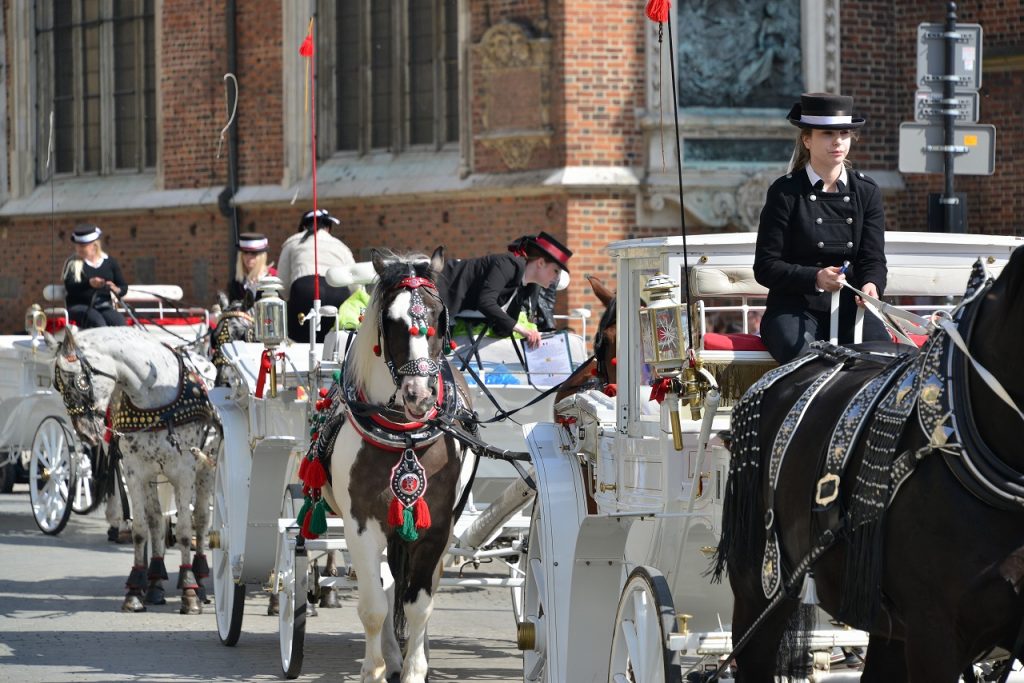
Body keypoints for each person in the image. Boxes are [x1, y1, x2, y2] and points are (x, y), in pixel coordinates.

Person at [753, 92, 889, 363]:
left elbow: (872, 258)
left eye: (844, 133)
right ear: (807, 139)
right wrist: (815, 277)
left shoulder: (867, 191)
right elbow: (765, 266)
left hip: (852, 306)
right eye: (827, 133)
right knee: (807, 363)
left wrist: (871, 286)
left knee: (883, 360)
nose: (837, 141)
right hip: (794, 308)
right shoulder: (785, 192)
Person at [438, 231, 572, 349]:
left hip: (452, 307)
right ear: (541, 263)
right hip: (439, 287)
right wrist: (524, 330)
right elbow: (485, 302)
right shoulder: (508, 264)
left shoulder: (527, 285)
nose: (556, 278)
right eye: (556, 271)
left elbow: (502, 328)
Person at [276, 209, 355, 342]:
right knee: (332, 342)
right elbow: (355, 282)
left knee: (301, 342)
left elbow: (282, 283)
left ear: (303, 227)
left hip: (303, 289)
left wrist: (292, 301)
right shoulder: (341, 246)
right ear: (328, 228)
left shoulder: (292, 242)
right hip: (338, 292)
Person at [62, 224, 128, 329]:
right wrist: (89, 283)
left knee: (120, 323)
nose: (79, 249)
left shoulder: (110, 262)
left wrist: (116, 289)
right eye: (77, 245)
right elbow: (70, 287)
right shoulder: (72, 263)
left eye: (83, 246)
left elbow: (123, 287)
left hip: (104, 306)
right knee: (97, 322)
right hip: (79, 306)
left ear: (94, 245)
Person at [227, 232, 277, 308]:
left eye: (253, 253)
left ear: (262, 256)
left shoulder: (273, 279)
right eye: (245, 252)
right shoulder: (237, 283)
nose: (248, 257)